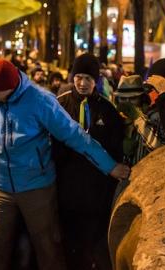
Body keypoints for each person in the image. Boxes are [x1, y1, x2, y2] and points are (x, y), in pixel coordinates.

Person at [0, 59, 130, 270]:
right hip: (0, 189)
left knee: (48, 248)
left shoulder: (40, 101)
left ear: (11, 87)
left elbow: (76, 136)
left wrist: (110, 166)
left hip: (38, 188)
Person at [55, 53, 124, 270]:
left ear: (97, 81)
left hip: (97, 189)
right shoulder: (59, 106)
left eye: (88, 79)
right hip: (66, 187)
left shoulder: (107, 110)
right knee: (69, 241)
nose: (83, 83)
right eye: (79, 77)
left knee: (94, 241)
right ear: (72, 77)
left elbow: (116, 148)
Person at [114, 75, 153, 166]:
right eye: (123, 98)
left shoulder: (152, 117)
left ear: (142, 98)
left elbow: (156, 146)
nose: (127, 102)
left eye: (133, 98)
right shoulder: (113, 118)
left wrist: (138, 118)